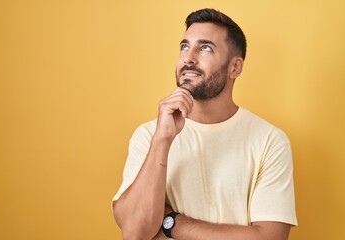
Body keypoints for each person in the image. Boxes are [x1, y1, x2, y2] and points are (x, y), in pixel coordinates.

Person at [112, 8, 297, 240]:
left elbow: (268, 238)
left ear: (235, 68)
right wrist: (162, 140)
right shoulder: (149, 135)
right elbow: (134, 232)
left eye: (205, 48)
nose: (188, 58)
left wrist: (171, 222)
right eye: (184, 46)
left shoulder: (270, 141)